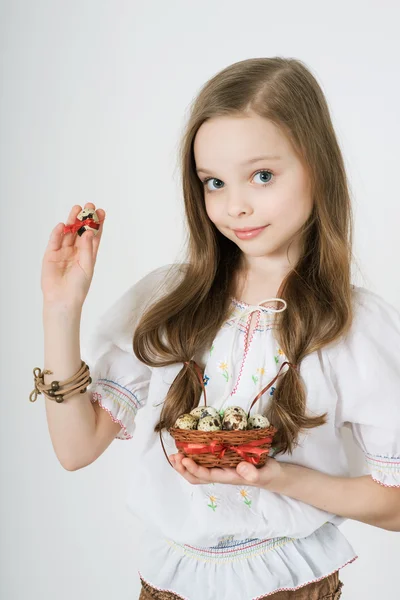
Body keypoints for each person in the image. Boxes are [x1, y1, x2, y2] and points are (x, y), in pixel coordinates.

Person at [39, 57, 400, 600]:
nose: (235, 206)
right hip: (164, 588)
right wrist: (60, 310)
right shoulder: (170, 300)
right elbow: (75, 449)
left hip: (290, 587)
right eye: (213, 182)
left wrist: (280, 479)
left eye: (262, 176)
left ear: (317, 167)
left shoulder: (352, 324)